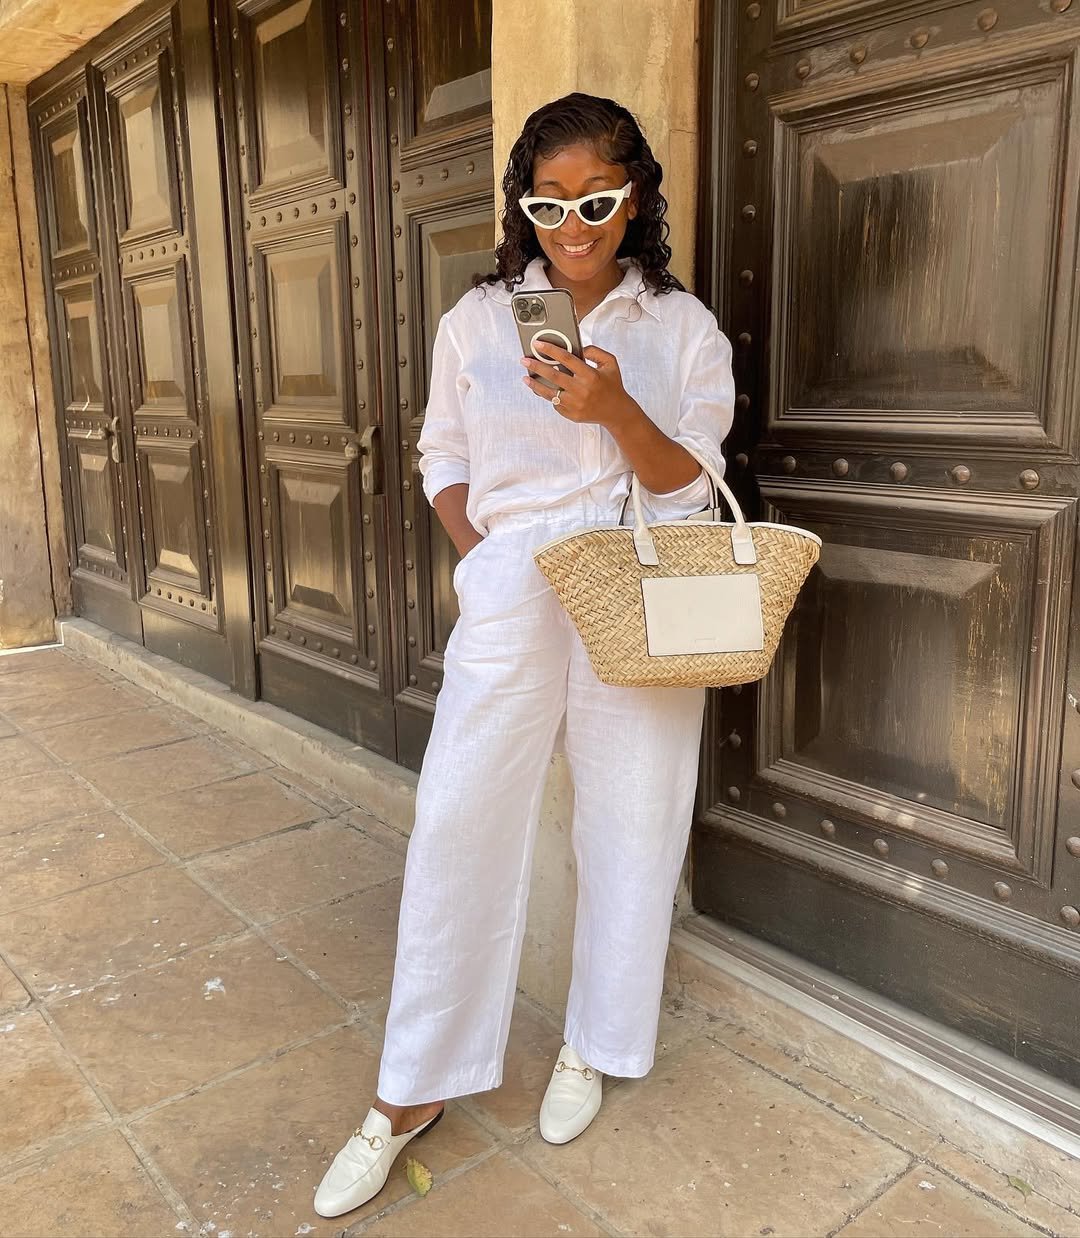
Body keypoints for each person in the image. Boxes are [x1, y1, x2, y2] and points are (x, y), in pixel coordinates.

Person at [314, 91, 735, 1219]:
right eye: (547, 203)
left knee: (632, 819)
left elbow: (691, 488)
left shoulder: (682, 330)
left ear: (635, 193)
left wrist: (614, 408)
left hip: (640, 580)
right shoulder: (475, 320)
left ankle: (595, 1041)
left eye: (596, 200)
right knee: (460, 819)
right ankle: (414, 1087)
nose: (572, 226)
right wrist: (484, 559)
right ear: (524, 203)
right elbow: (439, 450)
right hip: (515, 587)